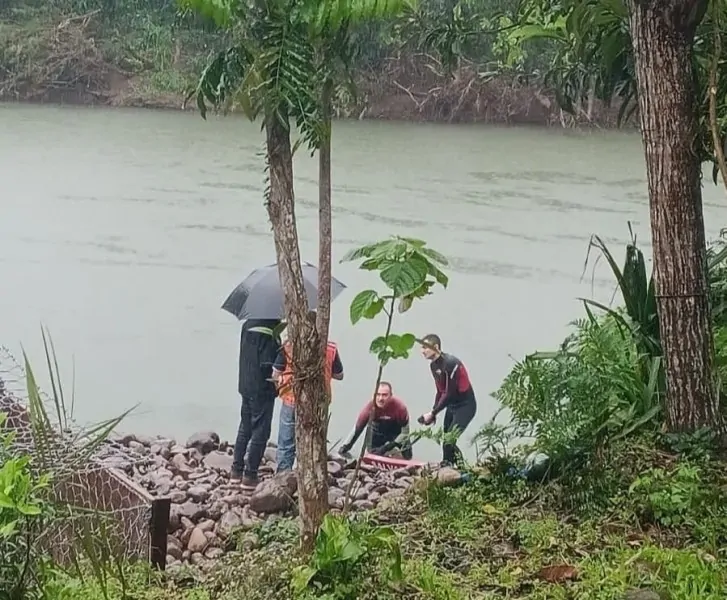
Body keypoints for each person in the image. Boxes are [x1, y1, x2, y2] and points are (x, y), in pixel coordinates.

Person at [272, 334, 344, 472]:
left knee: (286, 441)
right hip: (319, 402)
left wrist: (279, 385)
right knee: (313, 441)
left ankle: (283, 474)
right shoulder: (330, 348)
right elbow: (339, 375)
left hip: (291, 399)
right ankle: (310, 473)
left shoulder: (289, 345)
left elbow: (275, 373)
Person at [231, 319, 281, 488]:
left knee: (245, 427)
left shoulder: (247, 324)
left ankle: (236, 470)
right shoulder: (269, 330)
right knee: (261, 430)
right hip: (262, 388)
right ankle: (250, 474)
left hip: (245, 382)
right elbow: (267, 365)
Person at [417, 333, 476, 466]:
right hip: (451, 406)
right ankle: (447, 465)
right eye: (421, 348)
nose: (422, 351)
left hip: (465, 406)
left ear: (436, 347)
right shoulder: (433, 366)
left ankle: (461, 468)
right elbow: (440, 391)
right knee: (446, 441)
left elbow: (450, 393)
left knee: (450, 440)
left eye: (425, 347)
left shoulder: (450, 363)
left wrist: (433, 413)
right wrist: (433, 412)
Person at [339, 382, 412, 459]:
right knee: (374, 451)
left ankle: (396, 454)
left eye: (384, 395)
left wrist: (387, 447)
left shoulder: (400, 408)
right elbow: (357, 429)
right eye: (378, 394)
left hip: (396, 434)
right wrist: (344, 448)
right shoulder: (369, 409)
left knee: (407, 454)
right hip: (378, 433)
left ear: (391, 396)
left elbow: (405, 433)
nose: (380, 399)